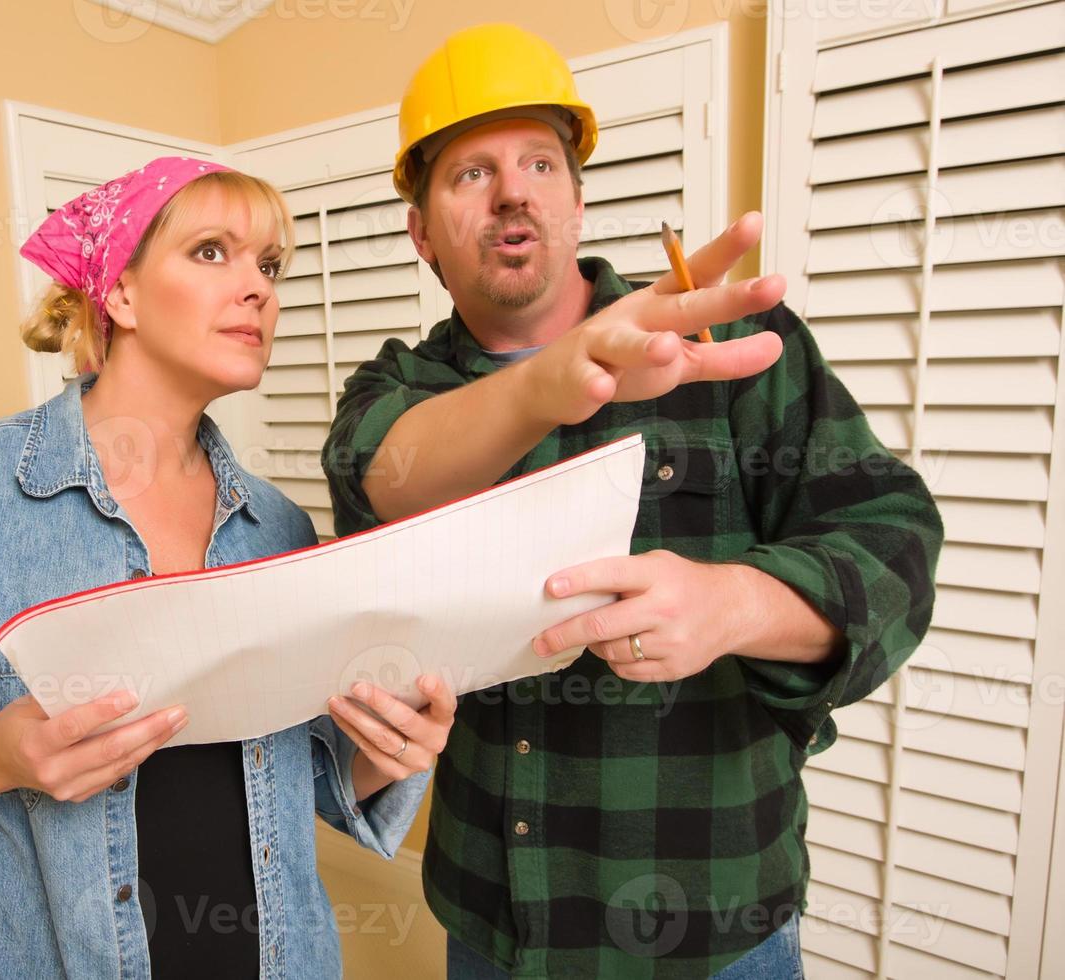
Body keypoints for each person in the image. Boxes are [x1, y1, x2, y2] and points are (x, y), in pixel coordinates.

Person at [323, 24, 943, 979]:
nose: (514, 191)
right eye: (470, 174)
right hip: (494, 925)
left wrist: (733, 602)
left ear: (576, 198)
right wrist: (545, 386)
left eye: (539, 162)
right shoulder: (397, 387)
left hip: (717, 921)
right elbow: (381, 476)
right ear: (421, 231)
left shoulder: (730, 346)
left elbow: (892, 539)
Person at [0, 157, 457, 979]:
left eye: (268, 266)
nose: (259, 289)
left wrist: (393, 748)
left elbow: (313, 787)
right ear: (118, 293)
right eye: (212, 252)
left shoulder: (278, 526)